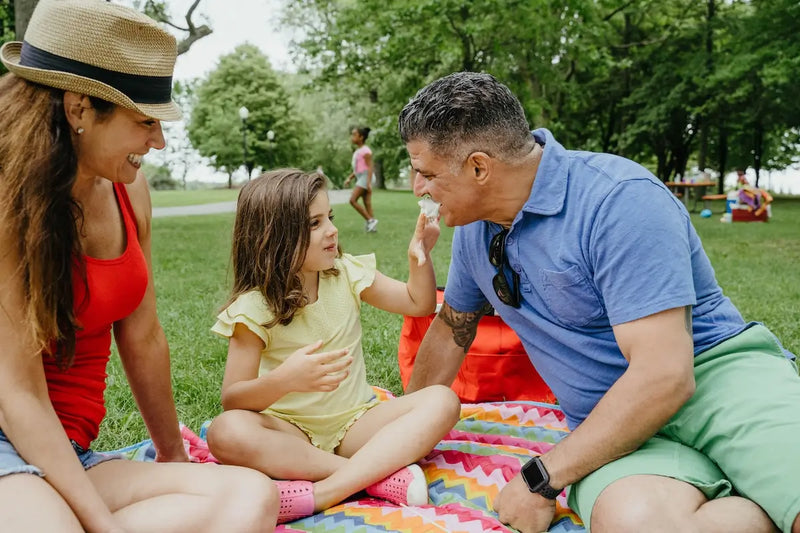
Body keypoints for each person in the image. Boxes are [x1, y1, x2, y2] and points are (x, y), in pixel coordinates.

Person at [400, 72, 800, 533]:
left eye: (427, 173)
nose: (418, 188)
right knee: (639, 523)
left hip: (719, 384)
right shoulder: (475, 232)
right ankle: (766, 496)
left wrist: (542, 478)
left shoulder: (618, 199)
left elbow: (665, 376)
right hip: (611, 430)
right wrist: (401, 433)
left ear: (479, 167)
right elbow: (453, 328)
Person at [0, 1, 278, 531]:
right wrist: (102, 522)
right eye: (144, 121)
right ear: (78, 109)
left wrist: (172, 456)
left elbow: (143, 334)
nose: (159, 141)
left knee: (250, 498)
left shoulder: (129, 192)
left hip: (70, 452)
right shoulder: (6, 200)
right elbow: (18, 398)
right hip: (9, 440)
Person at [206, 169, 461, 524]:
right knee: (225, 431)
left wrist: (419, 254)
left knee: (443, 400)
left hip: (357, 424)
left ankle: (327, 490)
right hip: (291, 434)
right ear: (275, 236)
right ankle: (373, 476)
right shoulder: (254, 308)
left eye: (330, 217)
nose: (332, 230)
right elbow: (234, 398)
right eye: (314, 223)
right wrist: (286, 380)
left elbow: (417, 303)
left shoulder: (345, 272)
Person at [343, 126, 379, 231]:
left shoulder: (366, 151)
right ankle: (372, 228)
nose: (352, 137)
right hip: (362, 177)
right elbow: (358, 169)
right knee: (367, 203)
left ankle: (370, 220)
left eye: (354, 135)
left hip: (365, 177)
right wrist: (350, 178)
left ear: (361, 137)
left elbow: (370, 167)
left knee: (352, 200)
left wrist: (368, 183)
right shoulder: (359, 151)